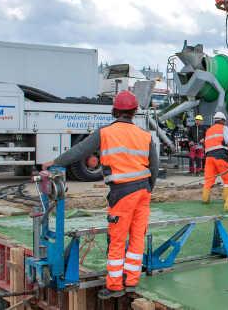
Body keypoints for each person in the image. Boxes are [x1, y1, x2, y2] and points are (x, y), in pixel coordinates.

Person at [42, 91, 158, 299]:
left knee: (117, 239)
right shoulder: (145, 135)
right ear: (134, 112)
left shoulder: (105, 133)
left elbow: (79, 151)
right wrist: (149, 187)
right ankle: (131, 281)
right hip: (143, 192)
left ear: (115, 111)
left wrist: (55, 162)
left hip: (122, 192)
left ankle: (114, 286)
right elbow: (154, 167)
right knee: (137, 236)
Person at [203, 111, 228, 203]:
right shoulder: (224, 128)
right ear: (222, 120)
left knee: (209, 180)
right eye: (224, 121)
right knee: (227, 178)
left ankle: (205, 200)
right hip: (220, 156)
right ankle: (227, 200)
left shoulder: (209, 130)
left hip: (209, 158)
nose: (225, 122)